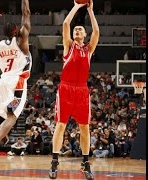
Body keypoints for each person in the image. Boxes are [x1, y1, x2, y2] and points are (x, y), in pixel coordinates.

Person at [48, 0, 99, 179]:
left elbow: (97, 32)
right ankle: (54, 162)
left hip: (82, 91)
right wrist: (77, 6)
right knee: (60, 125)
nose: (77, 30)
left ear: (84, 34)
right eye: (76, 29)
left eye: (80, 30)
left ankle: (85, 163)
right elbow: (65, 23)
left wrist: (91, 11)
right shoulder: (69, 46)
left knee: (85, 128)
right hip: (66, 89)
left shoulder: (88, 49)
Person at [0, 0, 31, 177]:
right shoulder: (22, 41)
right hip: (17, 82)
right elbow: (26, 14)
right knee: (12, 117)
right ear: (16, 31)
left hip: (2, 82)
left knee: (2, 119)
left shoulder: (0, 45)